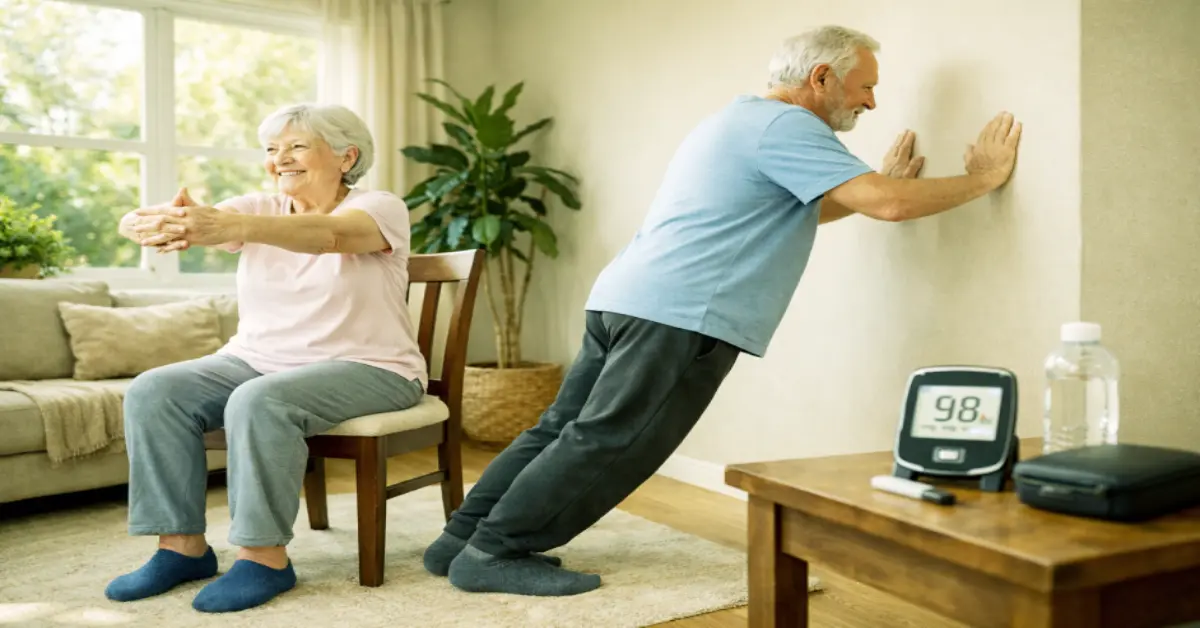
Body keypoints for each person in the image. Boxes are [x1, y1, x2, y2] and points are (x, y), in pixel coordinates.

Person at [421, 24, 1023, 597]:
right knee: (611, 440)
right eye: (865, 85)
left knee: (562, 430)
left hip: (627, 300)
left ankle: (459, 541)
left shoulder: (740, 120)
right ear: (821, 77)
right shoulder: (790, 127)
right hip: (680, 314)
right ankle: (497, 553)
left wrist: (871, 193)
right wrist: (981, 178)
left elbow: (796, 209)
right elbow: (890, 205)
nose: (871, 102)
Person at [105, 103, 427, 613]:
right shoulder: (258, 207)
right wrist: (159, 223)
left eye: (297, 146)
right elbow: (143, 221)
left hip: (373, 367)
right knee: (155, 390)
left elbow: (328, 236)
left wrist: (231, 225)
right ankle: (181, 548)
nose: (281, 159)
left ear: (347, 157)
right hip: (258, 358)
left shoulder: (380, 207)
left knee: (258, 401)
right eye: (273, 150)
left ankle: (263, 557)